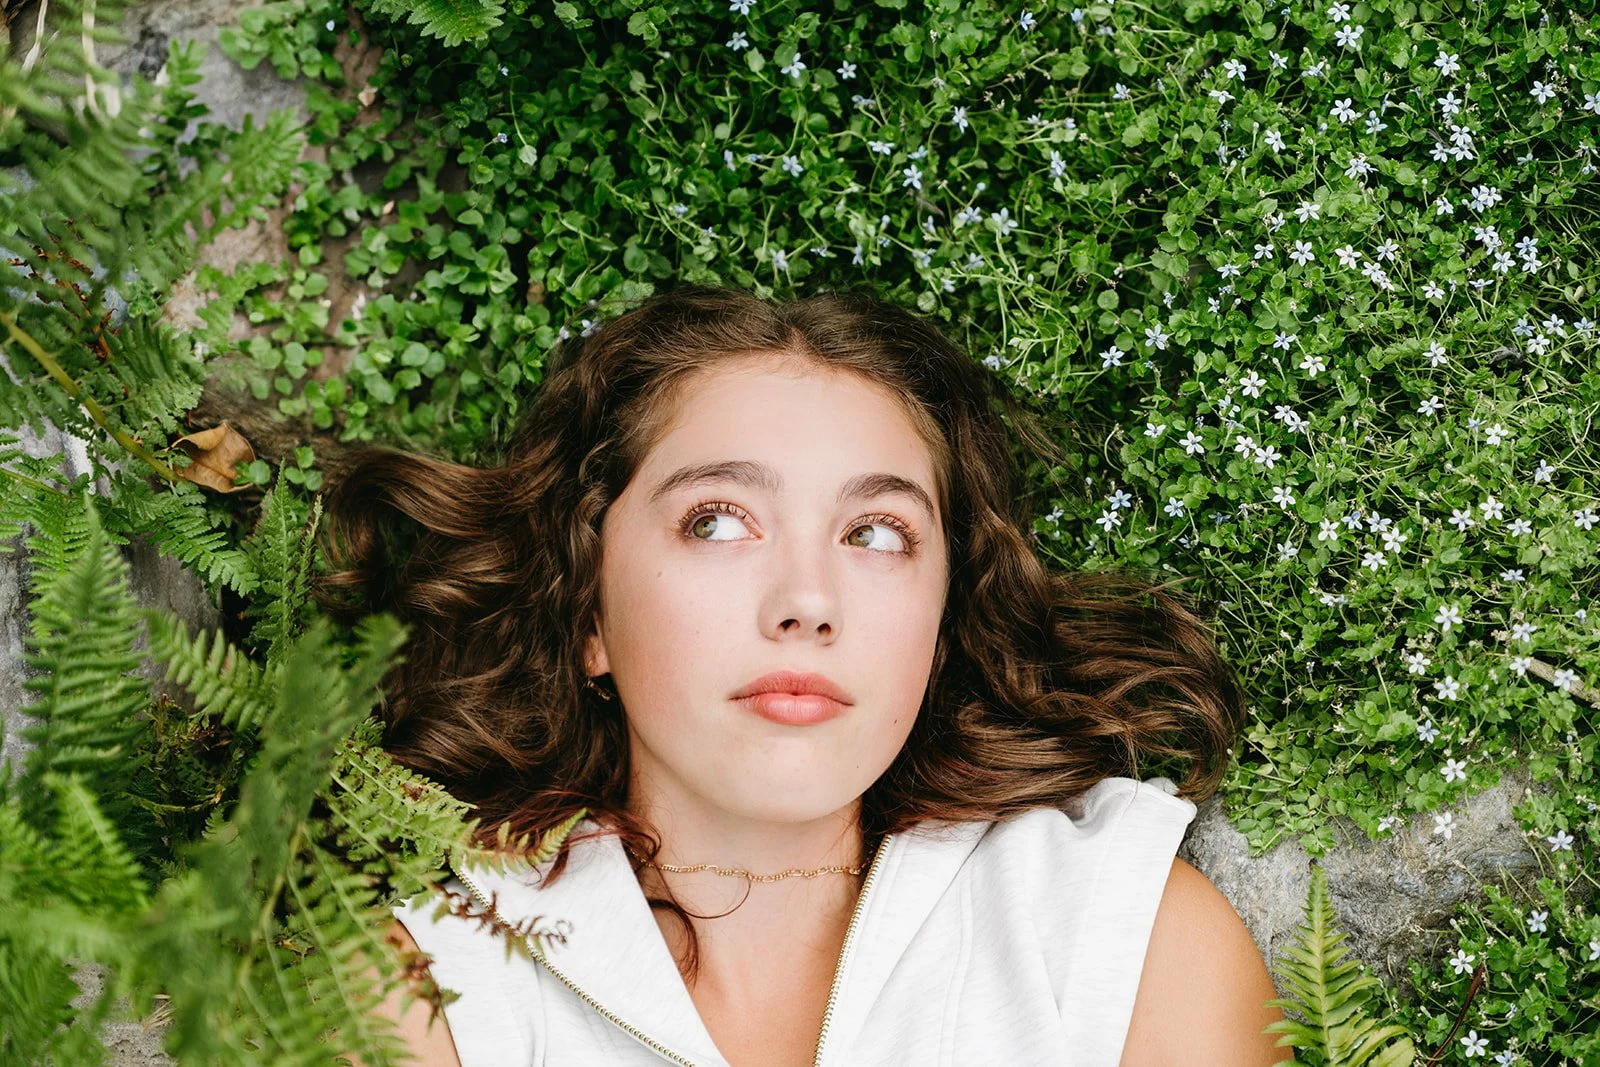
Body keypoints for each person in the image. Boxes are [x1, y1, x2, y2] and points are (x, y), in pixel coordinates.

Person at [316, 283, 1290, 1066]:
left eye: (877, 533)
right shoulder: (424, 995)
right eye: (717, 520)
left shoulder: (1124, 944)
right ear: (588, 614)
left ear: (939, 628)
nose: (807, 601)